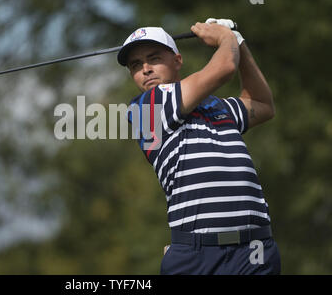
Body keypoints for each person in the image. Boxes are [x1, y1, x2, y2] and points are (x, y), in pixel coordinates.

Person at [118, 19, 281, 275]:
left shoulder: (217, 106)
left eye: (154, 58)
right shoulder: (147, 108)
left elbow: (262, 104)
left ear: (177, 61)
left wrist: (238, 42)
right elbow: (225, 66)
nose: (146, 69)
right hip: (197, 257)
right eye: (136, 65)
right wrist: (225, 38)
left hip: (254, 250)